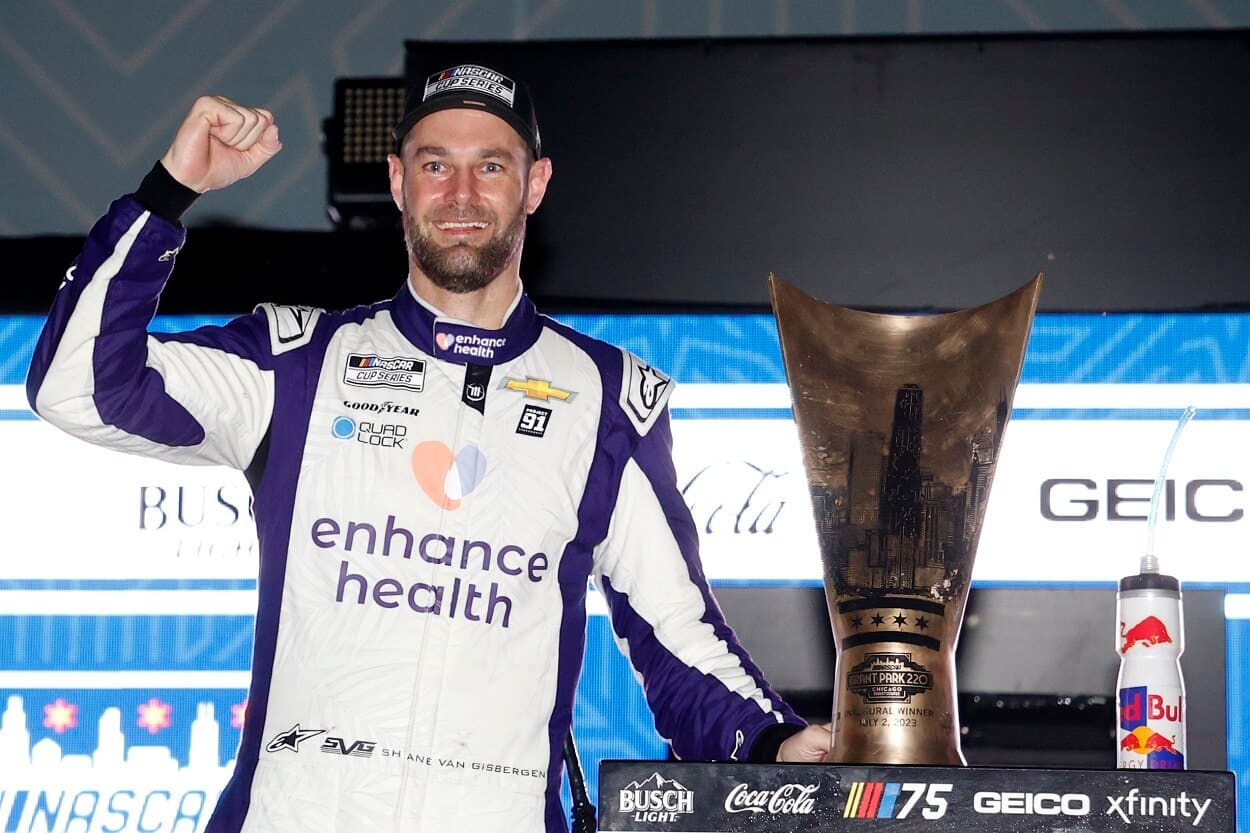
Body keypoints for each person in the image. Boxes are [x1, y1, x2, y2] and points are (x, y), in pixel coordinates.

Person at [27, 63, 831, 833]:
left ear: (536, 185)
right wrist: (170, 193)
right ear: (396, 182)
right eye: (434, 164)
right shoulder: (298, 364)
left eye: (491, 166)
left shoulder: (608, 399)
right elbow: (76, 385)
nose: (461, 194)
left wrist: (773, 743)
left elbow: (678, 635)